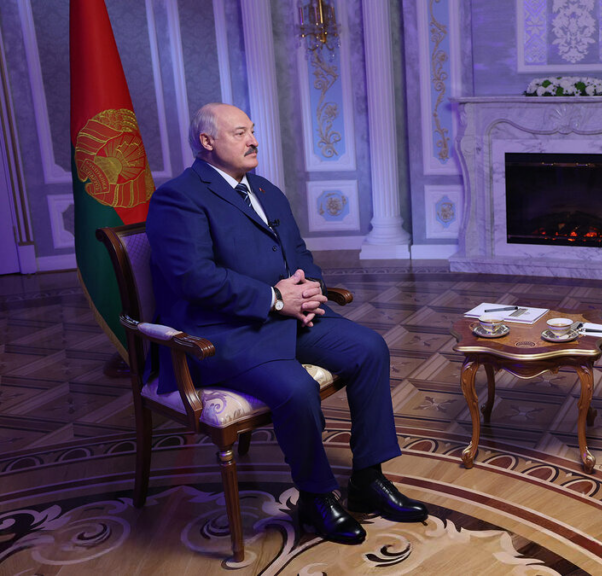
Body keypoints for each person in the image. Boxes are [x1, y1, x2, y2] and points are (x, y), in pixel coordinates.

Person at [147, 103, 427, 545]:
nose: (253, 141)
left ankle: (368, 479)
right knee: (296, 388)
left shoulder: (264, 189)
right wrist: (277, 299)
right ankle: (316, 496)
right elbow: (193, 279)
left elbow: (299, 254)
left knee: (369, 348)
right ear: (207, 141)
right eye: (240, 133)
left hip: (285, 319)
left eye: (252, 131)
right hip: (221, 334)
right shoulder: (178, 197)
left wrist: (309, 288)